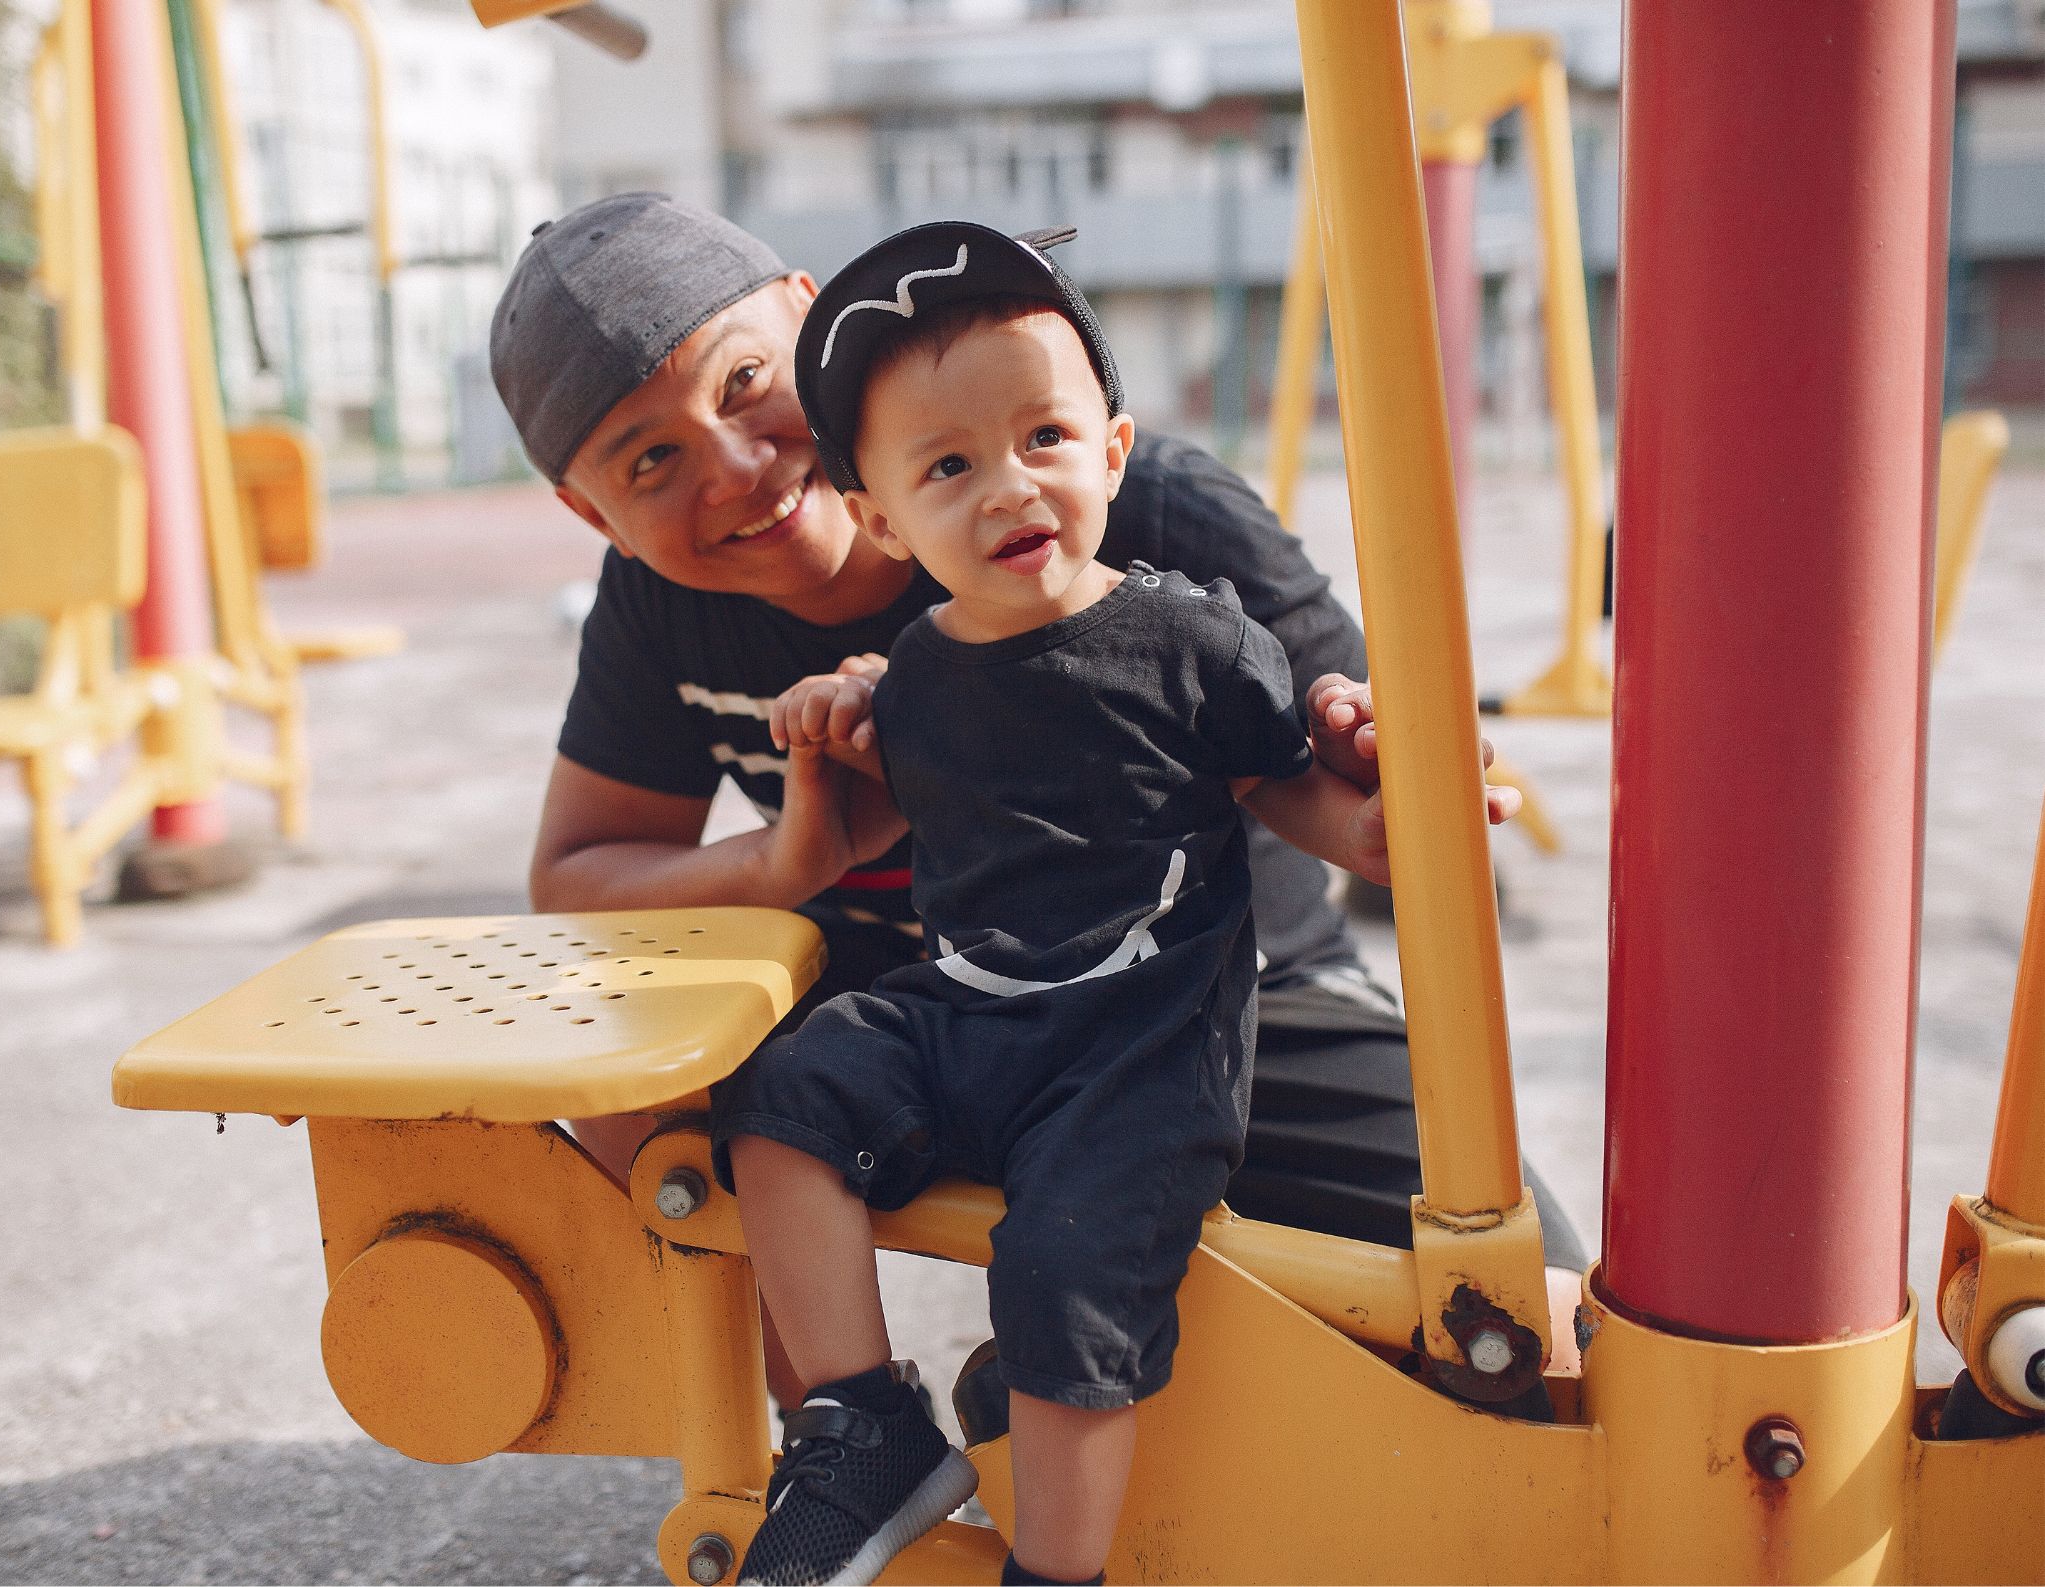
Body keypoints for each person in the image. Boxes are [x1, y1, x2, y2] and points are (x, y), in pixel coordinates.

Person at [487, 192, 1586, 1399]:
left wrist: (1383, 764)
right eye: (651, 461)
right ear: (594, 515)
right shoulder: (661, 603)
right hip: (918, 1006)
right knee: (644, 1090)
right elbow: (580, 879)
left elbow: (1348, 749)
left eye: (745, 383)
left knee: (1539, 1337)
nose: (738, 470)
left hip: (1205, 979)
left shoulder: (1140, 513)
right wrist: (780, 865)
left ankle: (1122, 1385)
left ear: (810, 316)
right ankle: (838, 1448)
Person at [712, 219, 1506, 1587]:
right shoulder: (914, 673)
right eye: (949, 465)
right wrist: (827, 734)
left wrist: (1377, 829)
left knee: (1061, 1275)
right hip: (971, 1012)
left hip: (1142, 1041)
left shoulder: (1190, 636)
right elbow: (880, 814)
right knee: (783, 1096)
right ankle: (859, 1421)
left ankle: (1055, 1571)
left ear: (1115, 451)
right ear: (888, 521)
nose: (1009, 487)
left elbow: (1281, 789)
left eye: (1043, 439)